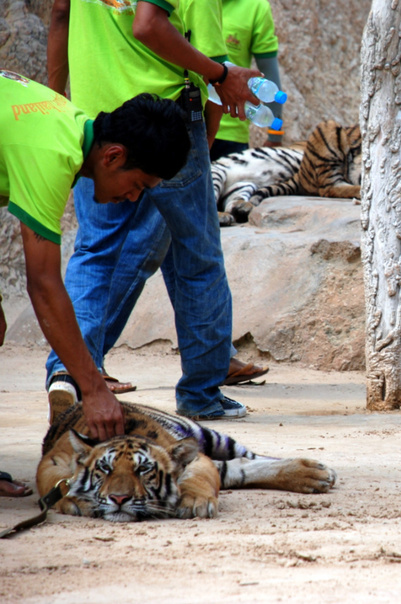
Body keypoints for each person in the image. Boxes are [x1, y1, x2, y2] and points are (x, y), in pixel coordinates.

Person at [46, 0, 263, 420]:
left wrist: (58, 100)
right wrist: (207, 128)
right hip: (166, 123)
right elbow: (167, 36)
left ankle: (67, 375)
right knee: (197, 258)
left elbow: (59, 12)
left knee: (93, 251)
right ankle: (201, 395)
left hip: (97, 121)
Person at [0, 72, 191, 494]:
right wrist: (92, 387)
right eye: (138, 184)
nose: (134, 197)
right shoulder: (50, 151)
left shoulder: (69, 124)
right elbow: (44, 285)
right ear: (112, 156)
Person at [209, 0, 285, 161]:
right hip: (188, 124)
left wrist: (275, 134)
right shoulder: (194, 3)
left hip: (231, 132)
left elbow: (270, 77)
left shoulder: (256, 6)